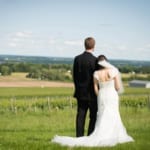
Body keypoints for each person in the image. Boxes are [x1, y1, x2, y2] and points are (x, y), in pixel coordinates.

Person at [51, 55, 134, 147]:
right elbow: (118, 87)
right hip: (112, 95)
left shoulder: (96, 74)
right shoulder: (113, 71)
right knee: (113, 114)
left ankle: (101, 134)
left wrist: (100, 95)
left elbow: (95, 89)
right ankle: (113, 134)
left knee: (102, 115)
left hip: (102, 96)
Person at [73, 37, 98, 137]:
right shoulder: (95, 60)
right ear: (93, 46)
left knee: (80, 116)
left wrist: (78, 88)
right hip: (92, 94)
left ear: (85, 45)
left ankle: (79, 137)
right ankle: (90, 136)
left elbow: (74, 76)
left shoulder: (77, 59)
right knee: (93, 117)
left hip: (80, 92)